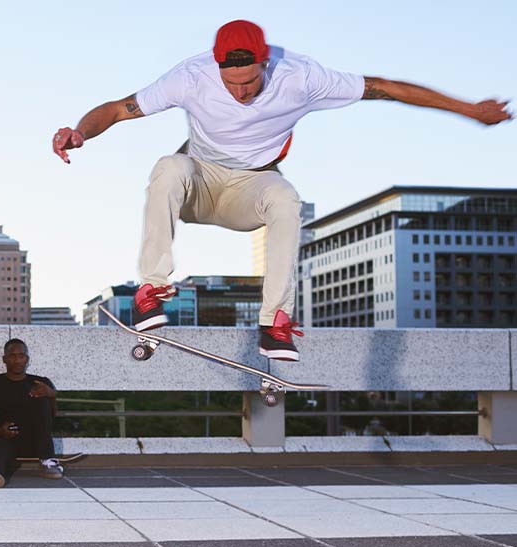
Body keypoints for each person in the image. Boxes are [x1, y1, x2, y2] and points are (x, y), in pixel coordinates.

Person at [52, 19, 512, 361]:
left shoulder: (302, 75)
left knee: (287, 197)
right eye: (231, 84)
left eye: (250, 81)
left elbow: (385, 87)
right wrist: (79, 132)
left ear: (265, 62)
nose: (240, 93)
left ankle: (275, 322)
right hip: (201, 181)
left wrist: (468, 109)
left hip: (252, 188)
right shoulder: (190, 76)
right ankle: (151, 289)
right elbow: (117, 109)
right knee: (169, 166)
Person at [0, 339, 64, 488]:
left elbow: (51, 418)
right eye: (12, 356)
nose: (17, 360)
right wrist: (1, 431)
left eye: (21, 356)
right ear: (4, 359)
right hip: (4, 439)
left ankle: (47, 461)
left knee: (42, 399)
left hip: (35, 442)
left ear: (27, 359)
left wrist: (51, 395)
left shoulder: (40, 383)